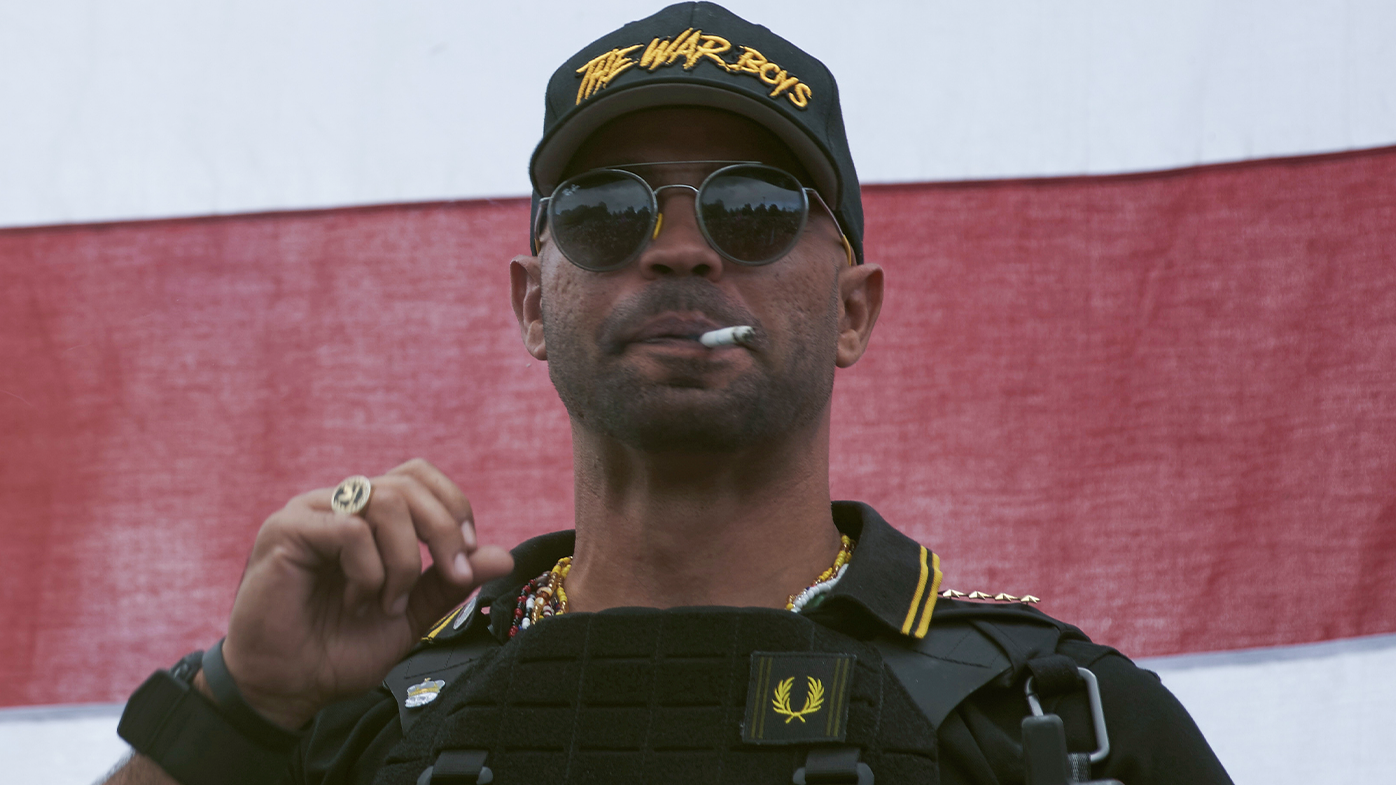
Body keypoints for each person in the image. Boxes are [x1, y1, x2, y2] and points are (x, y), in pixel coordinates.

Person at [108, 4, 1232, 784]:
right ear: (531, 304)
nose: (681, 251)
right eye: (606, 210)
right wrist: (245, 704)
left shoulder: (1054, 718)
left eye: (751, 208)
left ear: (852, 310)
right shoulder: (358, 716)